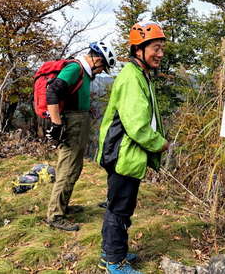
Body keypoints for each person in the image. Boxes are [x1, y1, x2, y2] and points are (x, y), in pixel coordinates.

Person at [96, 21, 169, 274]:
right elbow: (137, 126)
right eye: (155, 48)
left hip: (125, 153)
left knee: (119, 204)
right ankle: (114, 262)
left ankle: (110, 253)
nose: (160, 54)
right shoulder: (132, 77)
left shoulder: (139, 74)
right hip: (123, 154)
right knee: (120, 208)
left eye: (162, 49)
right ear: (138, 50)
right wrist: (160, 144)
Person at [46, 41, 117, 231]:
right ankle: (55, 216)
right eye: (103, 67)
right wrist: (56, 124)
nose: (102, 71)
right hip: (71, 124)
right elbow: (52, 92)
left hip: (79, 121)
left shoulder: (85, 73)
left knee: (74, 168)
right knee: (67, 168)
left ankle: (63, 207)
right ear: (97, 60)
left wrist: (87, 109)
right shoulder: (74, 68)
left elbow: (74, 96)